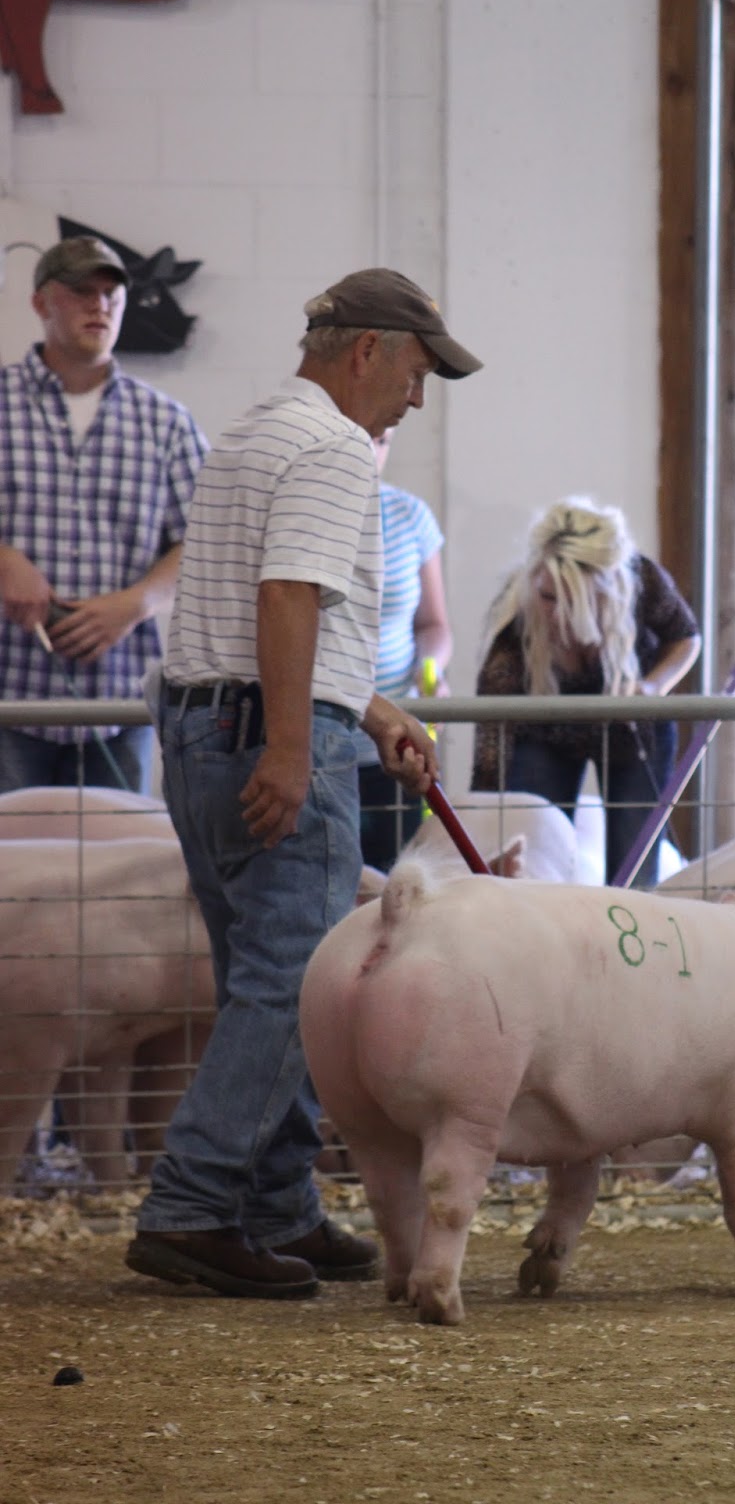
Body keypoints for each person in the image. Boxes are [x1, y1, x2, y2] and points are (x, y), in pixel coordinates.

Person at [125, 267, 482, 1300]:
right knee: (290, 984)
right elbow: (286, 595)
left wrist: (369, 710)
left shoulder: (250, 429)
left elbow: (255, 605)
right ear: (367, 350)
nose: (416, 398)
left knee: (264, 979)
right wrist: (292, 745)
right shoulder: (333, 447)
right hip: (266, 735)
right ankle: (192, 1206)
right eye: (415, 372)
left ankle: (274, 1202)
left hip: (201, 726)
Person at [0, 235, 208, 793]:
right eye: (82, 292)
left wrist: (135, 603)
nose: (101, 306)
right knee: (11, 870)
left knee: (116, 876)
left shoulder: (165, 422)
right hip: (7, 693)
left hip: (119, 701)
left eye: (112, 295)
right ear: (42, 302)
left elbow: (207, 541)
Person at [471, 497, 701, 887]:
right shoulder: (516, 621)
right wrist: (487, 826)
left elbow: (686, 637)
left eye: (575, 600)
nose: (557, 614)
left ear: (608, 590)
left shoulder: (641, 579)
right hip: (546, 726)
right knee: (531, 854)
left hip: (632, 722)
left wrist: (653, 687)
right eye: (547, 597)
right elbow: (491, 747)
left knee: (636, 867)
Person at [355, 425, 452, 870]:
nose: (372, 451)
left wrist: (429, 670)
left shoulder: (410, 516)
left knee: (400, 876)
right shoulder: (302, 516)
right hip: (321, 738)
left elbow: (433, 624)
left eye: (383, 441)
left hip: (397, 740)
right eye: (362, 437)